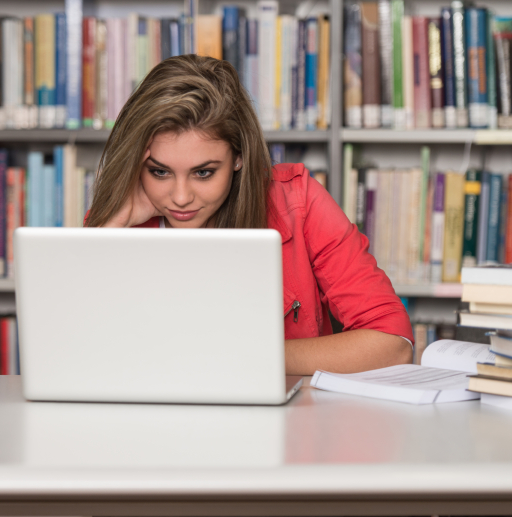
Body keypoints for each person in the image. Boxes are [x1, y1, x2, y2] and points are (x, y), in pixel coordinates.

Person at [85, 55, 412, 376]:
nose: (181, 198)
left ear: (239, 156)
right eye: (159, 172)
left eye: (203, 173)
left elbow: (393, 344)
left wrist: (238, 356)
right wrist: (109, 232)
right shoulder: (115, 223)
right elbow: (76, 351)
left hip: (286, 425)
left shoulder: (298, 203)